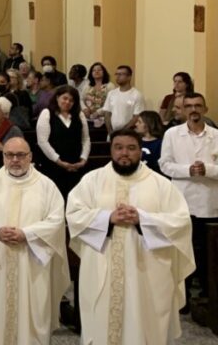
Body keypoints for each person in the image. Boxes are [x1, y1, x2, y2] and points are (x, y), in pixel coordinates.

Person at [67, 129, 195, 345]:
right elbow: (74, 215)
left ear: (140, 151)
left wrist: (142, 219)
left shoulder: (160, 183)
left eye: (131, 148)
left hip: (148, 271)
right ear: (111, 150)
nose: (124, 153)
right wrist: (108, 217)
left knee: (145, 323)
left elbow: (181, 221)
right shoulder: (92, 181)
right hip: (102, 268)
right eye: (118, 147)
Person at [0, 136, 69, 345]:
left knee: (32, 316)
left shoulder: (46, 186)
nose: (15, 160)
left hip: (33, 266)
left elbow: (56, 220)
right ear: (4, 156)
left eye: (20, 155)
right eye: (9, 155)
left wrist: (27, 234)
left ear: (30, 157)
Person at [159, 92, 218, 303]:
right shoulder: (172, 134)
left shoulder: (215, 135)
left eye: (198, 106)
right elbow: (164, 164)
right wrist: (188, 170)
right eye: (189, 106)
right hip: (183, 199)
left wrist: (208, 170)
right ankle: (181, 297)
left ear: (205, 109)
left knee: (208, 251)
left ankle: (207, 294)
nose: (194, 109)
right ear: (183, 110)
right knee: (182, 248)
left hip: (210, 201)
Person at [36, 85, 90, 199]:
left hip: (76, 165)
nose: (67, 102)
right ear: (57, 98)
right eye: (65, 98)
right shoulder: (47, 113)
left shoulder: (79, 115)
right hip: (53, 166)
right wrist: (59, 161)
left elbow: (86, 139)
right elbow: (42, 141)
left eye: (71, 100)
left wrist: (83, 159)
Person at [103, 65, 145, 132]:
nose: (117, 76)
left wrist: (123, 131)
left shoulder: (137, 94)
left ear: (129, 77)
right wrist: (110, 131)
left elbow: (136, 116)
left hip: (129, 132)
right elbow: (107, 114)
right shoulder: (111, 93)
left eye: (121, 74)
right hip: (112, 132)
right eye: (116, 74)